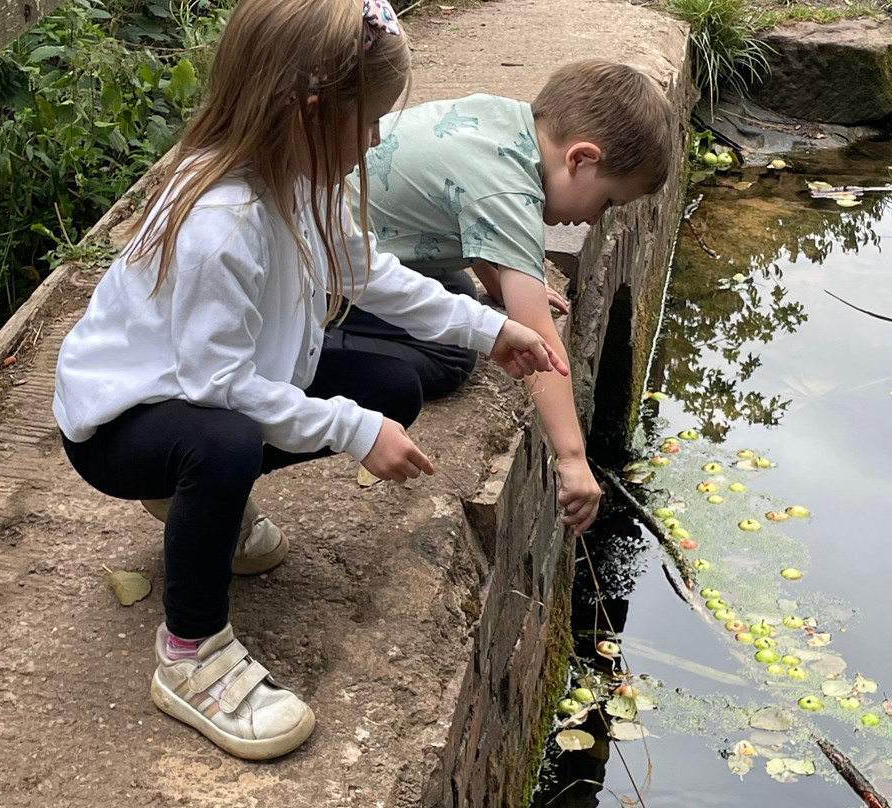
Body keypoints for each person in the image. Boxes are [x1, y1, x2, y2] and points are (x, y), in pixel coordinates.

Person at [52, 0, 567, 762]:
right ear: (309, 112)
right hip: (122, 420)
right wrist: (351, 432)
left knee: (393, 387)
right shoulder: (220, 222)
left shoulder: (300, 175)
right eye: (366, 124)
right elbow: (218, 387)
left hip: (212, 381)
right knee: (224, 442)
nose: (373, 141)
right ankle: (191, 653)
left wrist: (487, 328)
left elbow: (368, 272)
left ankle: (195, 503)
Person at [326, 59, 675, 538]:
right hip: (328, 277)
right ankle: (328, 341)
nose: (597, 221)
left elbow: (471, 218)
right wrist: (572, 459)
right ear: (580, 160)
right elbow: (537, 340)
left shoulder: (508, 124)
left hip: (360, 238)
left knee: (460, 289)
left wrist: (503, 284)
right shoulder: (509, 190)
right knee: (450, 357)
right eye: (608, 201)